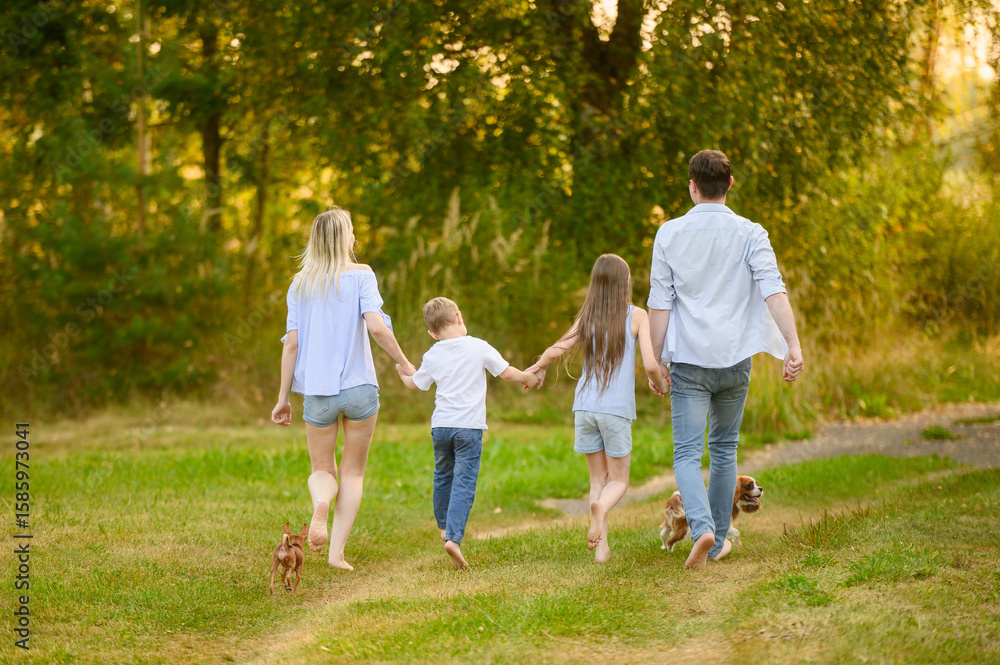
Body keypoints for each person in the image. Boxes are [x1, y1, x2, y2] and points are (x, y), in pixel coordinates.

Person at [647, 150, 804, 571]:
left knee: (686, 453)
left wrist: (656, 360)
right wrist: (793, 345)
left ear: (692, 186)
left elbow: (660, 302)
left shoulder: (669, 233)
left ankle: (703, 530)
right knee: (723, 449)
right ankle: (715, 542)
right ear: (730, 185)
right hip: (735, 361)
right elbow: (774, 290)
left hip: (689, 364)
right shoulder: (751, 233)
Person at [271, 208, 416, 571]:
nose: (354, 238)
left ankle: (322, 500)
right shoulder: (362, 276)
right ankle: (336, 554)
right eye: (351, 232)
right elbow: (377, 327)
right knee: (353, 472)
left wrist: (283, 399)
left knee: (323, 469)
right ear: (344, 239)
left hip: (318, 394)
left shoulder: (299, 284)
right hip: (360, 390)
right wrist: (403, 361)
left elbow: (291, 344)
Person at [527, 254, 669, 564]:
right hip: (615, 411)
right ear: (625, 282)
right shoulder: (637, 316)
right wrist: (659, 381)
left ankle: (601, 548)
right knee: (618, 481)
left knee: (597, 481)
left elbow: (557, 348)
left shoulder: (586, 318)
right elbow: (649, 363)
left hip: (584, 409)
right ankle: (601, 510)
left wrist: (537, 368)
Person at [396, 297, 539, 569]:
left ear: (432, 333)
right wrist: (528, 378)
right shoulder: (478, 346)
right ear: (459, 317)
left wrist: (404, 374)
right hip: (469, 428)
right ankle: (453, 537)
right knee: (463, 482)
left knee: (443, 475)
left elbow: (416, 384)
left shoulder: (433, 353)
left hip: (441, 427)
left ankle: (443, 526)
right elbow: (507, 373)